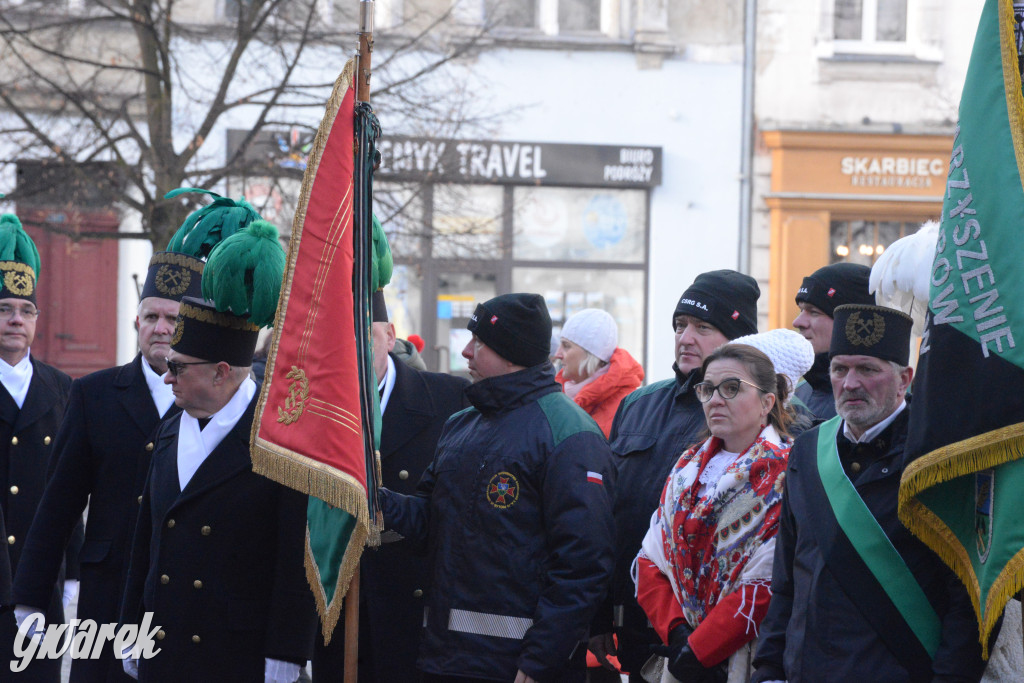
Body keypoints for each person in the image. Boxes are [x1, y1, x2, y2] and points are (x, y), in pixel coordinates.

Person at [12, 192, 254, 683]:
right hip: (109, 590)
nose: (162, 329)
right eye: (151, 318)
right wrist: (31, 598)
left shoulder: (221, 398)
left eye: (173, 319)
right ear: (135, 323)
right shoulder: (94, 395)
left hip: (190, 596)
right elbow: (57, 505)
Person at [381, 293, 615, 683]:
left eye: (480, 343)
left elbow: (584, 564)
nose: (468, 352)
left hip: (517, 668)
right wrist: (376, 499)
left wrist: (541, 661)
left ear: (512, 354)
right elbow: (430, 519)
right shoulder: (461, 424)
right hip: (444, 660)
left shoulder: (568, 433)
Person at [120, 220, 315, 681]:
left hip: (238, 653)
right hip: (165, 648)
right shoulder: (171, 427)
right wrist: (131, 627)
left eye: (179, 367)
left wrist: (287, 652)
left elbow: (296, 558)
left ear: (221, 372)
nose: (167, 377)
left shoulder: (279, 439)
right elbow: (146, 543)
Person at [751, 304, 987, 682]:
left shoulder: (939, 460)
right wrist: (768, 669)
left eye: (868, 369)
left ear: (904, 379)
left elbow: (969, 602)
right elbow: (787, 580)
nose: (850, 383)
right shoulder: (809, 452)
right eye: (840, 369)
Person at [589, 270, 760, 681]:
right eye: (680, 325)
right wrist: (596, 614)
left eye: (703, 327)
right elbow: (606, 514)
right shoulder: (639, 404)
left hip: (709, 635)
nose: (686, 337)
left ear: (737, 340)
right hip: (631, 621)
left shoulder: (756, 413)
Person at [312, 291, 469, 682]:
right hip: (338, 605)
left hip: (416, 608)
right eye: (341, 338)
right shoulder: (310, 407)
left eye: (366, 335)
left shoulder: (448, 398)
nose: (354, 349)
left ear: (390, 336)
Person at [634, 343, 793, 683]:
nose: (715, 400)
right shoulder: (686, 468)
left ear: (767, 402)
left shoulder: (788, 472)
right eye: (707, 389)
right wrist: (677, 634)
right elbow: (651, 558)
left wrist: (701, 649)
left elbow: (771, 576)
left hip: (750, 655)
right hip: (679, 650)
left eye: (731, 388)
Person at [0, 212, 75, 683]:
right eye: (4, 308)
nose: (15, 320)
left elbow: (72, 486)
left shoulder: (64, 389)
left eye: (26, 311)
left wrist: (72, 573)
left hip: (38, 579)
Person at [791, 262, 873, 421]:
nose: (798, 322)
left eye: (814, 312)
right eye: (801, 310)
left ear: (852, 324)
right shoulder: (795, 395)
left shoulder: (878, 403)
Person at [553, 308, 644, 438]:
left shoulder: (628, 408)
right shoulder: (557, 394)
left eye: (566, 346)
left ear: (591, 354)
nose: (557, 354)